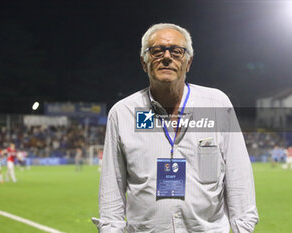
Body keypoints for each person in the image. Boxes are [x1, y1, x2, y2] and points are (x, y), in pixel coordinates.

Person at [92, 23, 258, 233]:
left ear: (188, 63)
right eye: (157, 51)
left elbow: (238, 174)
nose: (167, 57)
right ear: (144, 62)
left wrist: (243, 228)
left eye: (177, 52)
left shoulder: (216, 104)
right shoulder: (123, 113)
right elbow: (111, 186)